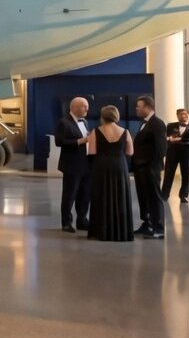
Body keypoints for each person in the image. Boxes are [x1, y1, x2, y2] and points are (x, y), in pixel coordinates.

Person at [87, 105, 135, 241]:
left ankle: (101, 231)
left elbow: (91, 152)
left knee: (101, 197)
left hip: (101, 166)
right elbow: (130, 152)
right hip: (119, 166)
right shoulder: (125, 131)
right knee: (120, 197)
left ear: (102, 116)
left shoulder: (96, 131)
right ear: (116, 116)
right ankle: (120, 232)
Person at [131, 96, 166, 239]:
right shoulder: (144, 123)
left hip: (150, 168)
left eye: (139, 106)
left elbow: (161, 148)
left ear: (147, 107)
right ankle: (147, 223)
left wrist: (152, 167)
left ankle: (158, 228)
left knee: (154, 197)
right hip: (141, 167)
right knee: (143, 197)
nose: (137, 109)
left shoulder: (157, 124)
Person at [55, 97, 91, 233]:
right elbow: (59, 142)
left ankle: (82, 219)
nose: (87, 109)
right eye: (84, 106)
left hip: (85, 164)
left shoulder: (85, 122)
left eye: (87, 106)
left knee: (84, 194)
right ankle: (66, 222)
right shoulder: (64, 122)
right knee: (69, 195)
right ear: (74, 107)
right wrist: (81, 141)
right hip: (71, 164)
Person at [162, 108, 189, 203]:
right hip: (173, 152)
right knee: (168, 173)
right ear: (177, 116)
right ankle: (164, 194)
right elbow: (167, 137)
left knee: (186, 175)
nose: (184, 116)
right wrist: (170, 139)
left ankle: (184, 195)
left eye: (186, 114)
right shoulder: (170, 125)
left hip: (187, 152)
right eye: (181, 114)